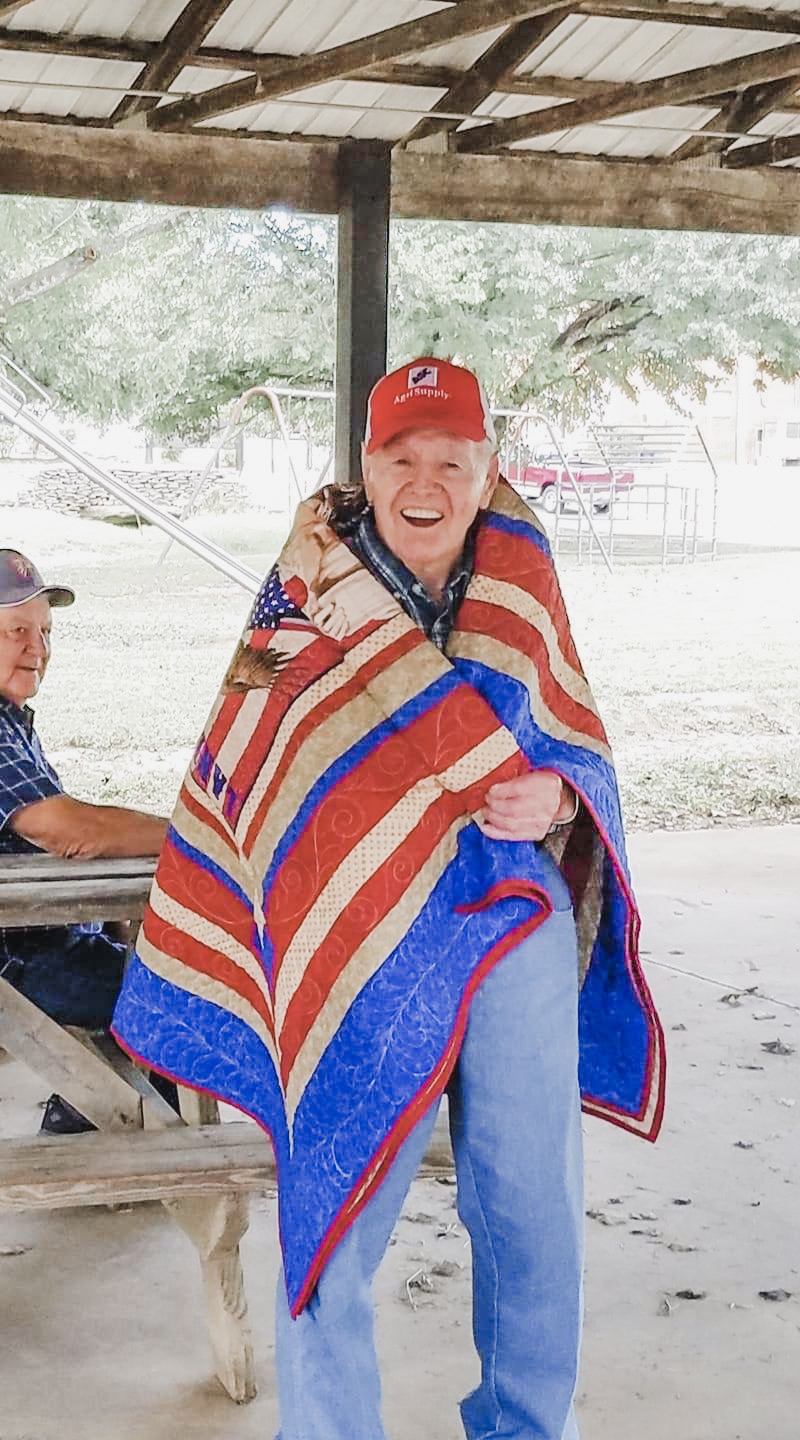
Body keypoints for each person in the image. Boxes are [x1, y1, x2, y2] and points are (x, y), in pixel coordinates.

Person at [113, 358, 665, 1440]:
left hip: (511, 920)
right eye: (400, 457)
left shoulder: (523, 578)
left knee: (529, 1211)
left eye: (448, 460)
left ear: (483, 466)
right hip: (354, 942)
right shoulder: (306, 588)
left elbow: (578, 746)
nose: (426, 481)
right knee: (335, 1202)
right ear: (366, 468)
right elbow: (245, 760)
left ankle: (522, 1424)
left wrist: (558, 793)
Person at [0, 548, 169, 1133]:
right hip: (17, 969)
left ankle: (101, 1118)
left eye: (44, 631)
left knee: (170, 965)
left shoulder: (11, 721)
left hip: (47, 945)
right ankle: (106, 1129)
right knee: (188, 992)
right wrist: (189, 837)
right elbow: (69, 829)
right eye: (17, 630)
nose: (38, 649)